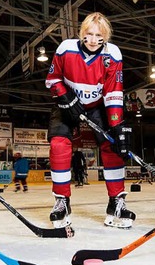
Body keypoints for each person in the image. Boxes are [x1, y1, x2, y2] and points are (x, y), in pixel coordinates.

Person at [45, 12, 135, 229]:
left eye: (98, 35)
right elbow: (52, 78)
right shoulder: (66, 48)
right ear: (81, 33)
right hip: (67, 103)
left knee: (112, 144)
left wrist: (116, 125)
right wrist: (63, 95)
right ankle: (62, 202)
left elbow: (113, 91)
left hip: (97, 106)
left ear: (106, 36)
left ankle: (116, 202)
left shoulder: (113, 54)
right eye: (89, 34)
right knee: (58, 144)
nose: (93, 40)